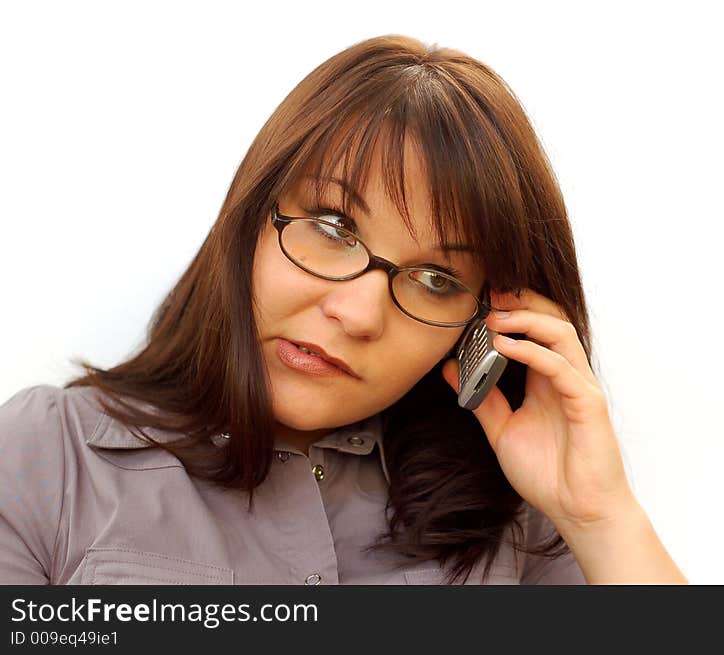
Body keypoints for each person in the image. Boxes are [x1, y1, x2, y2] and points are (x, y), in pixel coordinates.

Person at [0, 34, 686, 585]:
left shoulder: (515, 520)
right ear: (252, 221)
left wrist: (601, 516)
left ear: (483, 328)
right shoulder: (48, 456)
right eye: (332, 229)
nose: (359, 312)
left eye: (435, 278)